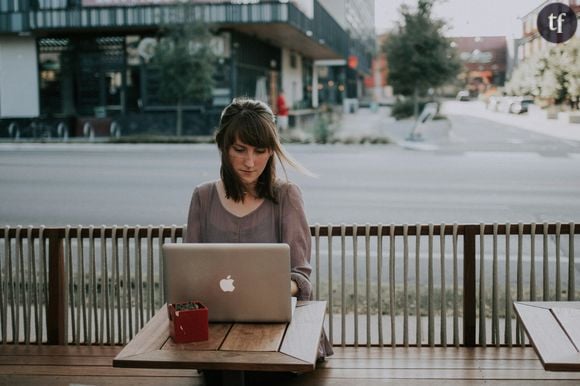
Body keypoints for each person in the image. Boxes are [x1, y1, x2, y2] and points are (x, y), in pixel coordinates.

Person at [185, 97, 333, 360]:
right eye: (240, 150)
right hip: (216, 334)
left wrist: (252, 289)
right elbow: (188, 272)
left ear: (271, 150)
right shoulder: (203, 196)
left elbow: (301, 278)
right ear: (223, 146)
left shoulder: (286, 195)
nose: (250, 162)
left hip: (283, 337)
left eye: (260, 150)